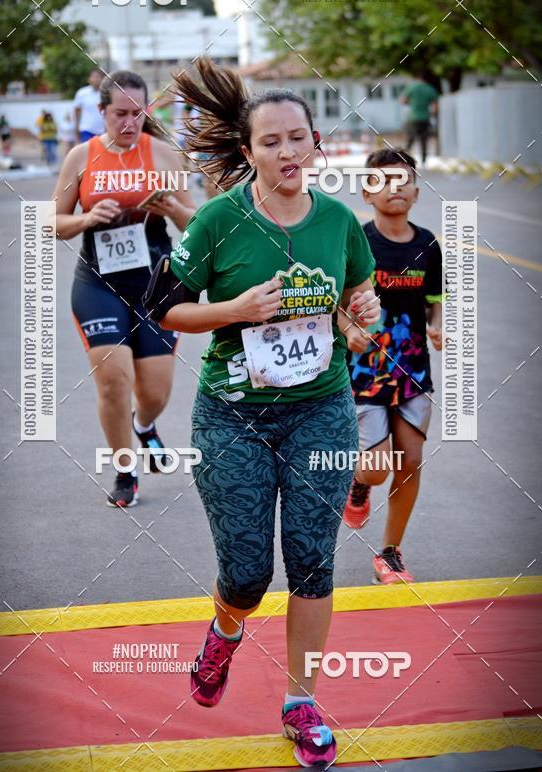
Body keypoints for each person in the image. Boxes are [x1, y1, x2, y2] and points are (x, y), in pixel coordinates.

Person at [155, 57, 379, 767]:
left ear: (316, 145)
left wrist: (360, 316)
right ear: (247, 153)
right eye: (272, 142)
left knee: (312, 562)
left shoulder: (340, 221)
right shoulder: (221, 220)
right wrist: (236, 309)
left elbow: (358, 306)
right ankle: (224, 633)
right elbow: (165, 308)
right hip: (232, 417)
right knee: (248, 572)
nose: (287, 152)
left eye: (298, 139)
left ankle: (300, 702)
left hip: (321, 411)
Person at [52, 70, 195, 507]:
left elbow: (198, 226)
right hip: (97, 283)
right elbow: (52, 222)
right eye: (119, 114)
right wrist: (86, 220)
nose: (129, 123)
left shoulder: (166, 156)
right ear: (101, 113)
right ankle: (125, 469)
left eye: (137, 114)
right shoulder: (81, 157)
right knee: (113, 382)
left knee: (154, 393)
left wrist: (172, 207)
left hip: (155, 284)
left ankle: (145, 425)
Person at [342, 148, 443, 585]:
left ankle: (390, 553)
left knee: (411, 461)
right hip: (366, 370)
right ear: (367, 191)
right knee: (376, 467)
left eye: (403, 182)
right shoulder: (357, 243)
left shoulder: (428, 245)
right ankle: (358, 485)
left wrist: (438, 328)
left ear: (417, 192)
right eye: (383, 182)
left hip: (414, 370)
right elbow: (340, 304)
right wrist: (350, 330)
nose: (394, 189)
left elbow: (434, 304)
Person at [400, 73, 439, 163]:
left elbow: (402, 100)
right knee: (424, 140)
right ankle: (424, 161)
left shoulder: (412, 87)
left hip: (413, 117)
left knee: (410, 140)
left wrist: (413, 103)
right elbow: (435, 108)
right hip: (425, 118)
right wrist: (430, 113)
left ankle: (403, 159)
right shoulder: (430, 89)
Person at [73, 69, 105, 143]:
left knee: (99, 153)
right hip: (86, 130)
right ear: (89, 79)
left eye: (98, 77)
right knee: (88, 152)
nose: (95, 79)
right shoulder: (82, 93)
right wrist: (76, 127)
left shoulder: (106, 93)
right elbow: (76, 111)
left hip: (102, 131)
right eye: (93, 77)